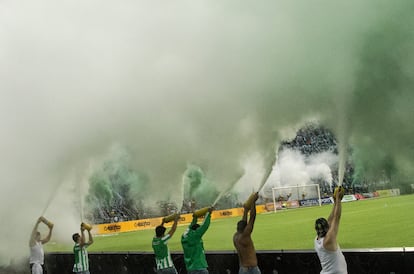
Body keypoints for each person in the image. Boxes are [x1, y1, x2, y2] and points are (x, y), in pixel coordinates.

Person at [314, 186, 347, 274]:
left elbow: (330, 219)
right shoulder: (328, 240)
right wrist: (338, 200)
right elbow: (336, 218)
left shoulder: (317, 239)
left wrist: (335, 202)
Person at [233, 192, 261, 274]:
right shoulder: (245, 236)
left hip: (243, 269)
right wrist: (253, 202)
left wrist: (245, 211)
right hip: (251, 269)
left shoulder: (236, 237)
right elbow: (252, 218)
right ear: (245, 229)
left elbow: (244, 222)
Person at [181, 206, 214, 274]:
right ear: (196, 230)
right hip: (199, 267)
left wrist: (195, 218)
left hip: (190, 268)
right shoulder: (195, 236)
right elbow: (204, 226)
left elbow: (191, 226)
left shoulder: (184, 236)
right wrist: (208, 214)